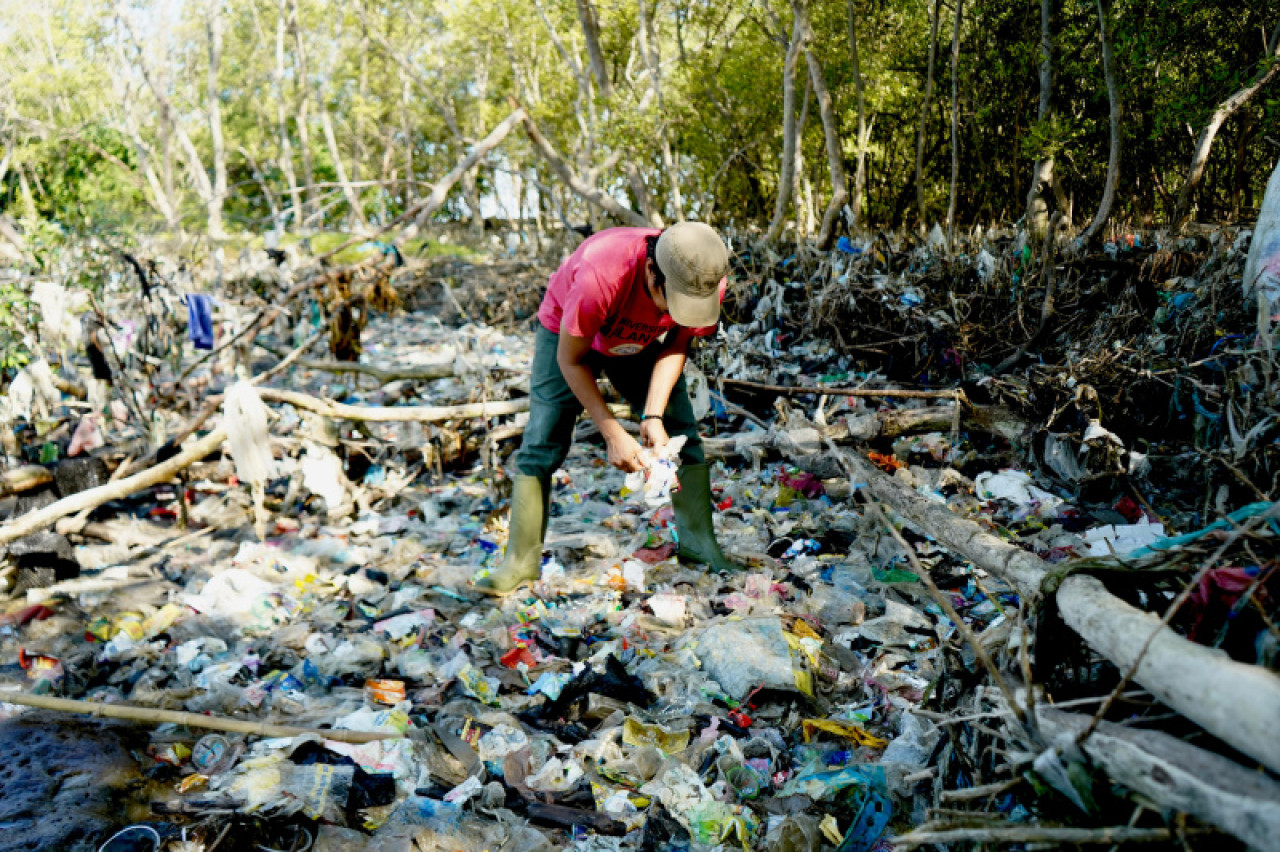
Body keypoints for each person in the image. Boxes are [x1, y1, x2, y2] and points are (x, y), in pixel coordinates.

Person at [474, 222, 739, 595]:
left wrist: (653, 415)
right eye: (675, 302)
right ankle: (519, 562)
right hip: (569, 335)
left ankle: (700, 547)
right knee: (544, 437)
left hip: (638, 341)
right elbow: (571, 360)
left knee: (681, 431)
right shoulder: (600, 275)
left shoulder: (705, 276)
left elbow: (677, 344)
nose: (680, 313)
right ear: (652, 271)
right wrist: (613, 433)